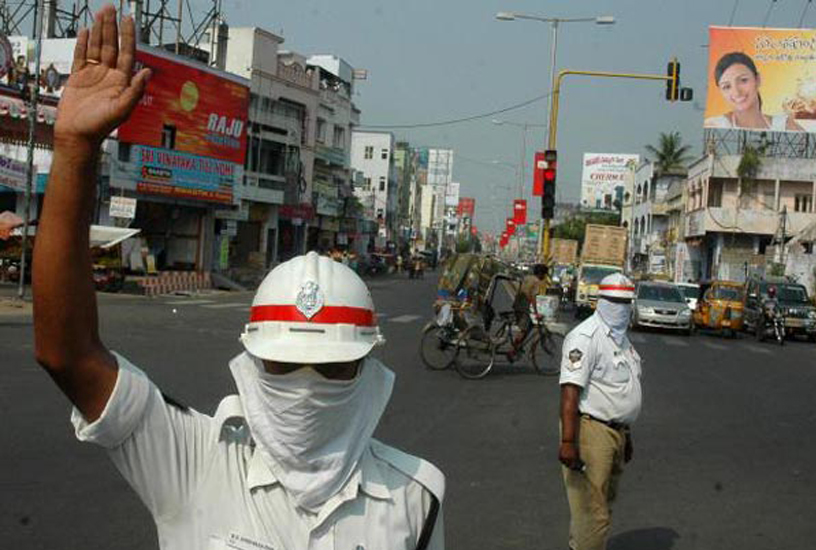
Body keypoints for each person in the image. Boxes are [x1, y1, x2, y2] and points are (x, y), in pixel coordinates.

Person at [31, 8, 444, 550]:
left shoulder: (416, 496)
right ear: (251, 363)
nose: (305, 388)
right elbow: (68, 352)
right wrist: (74, 150)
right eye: (283, 366)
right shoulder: (192, 460)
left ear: (366, 367)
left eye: (330, 369)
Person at [559, 273, 642, 550]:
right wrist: (568, 442)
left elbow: (619, 391)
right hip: (590, 432)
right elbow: (570, 392)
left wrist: (625, 435)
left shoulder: (621, 340)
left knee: (601, 505)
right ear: (601, 301)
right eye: (614, 301)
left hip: (613, 433)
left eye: (625, 302)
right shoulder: (585, 337)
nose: (621, 308)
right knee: (592, 513)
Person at [704, 52, 804, 132]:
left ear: (757, 80)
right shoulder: (714, 126)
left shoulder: (785, 126)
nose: (736, 92)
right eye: (726, 87)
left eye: (743, 80)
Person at [508, 263, 549, 360]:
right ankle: (513, 350)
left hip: (517, 305)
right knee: (523, 329)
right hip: (523, 307)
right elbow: (532, 297)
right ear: (541, 273)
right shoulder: (536, 281)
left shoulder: (527, 277)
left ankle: (518, 346)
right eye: (544, 274)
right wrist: (536, 313)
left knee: (529, 325)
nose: (544, 276)